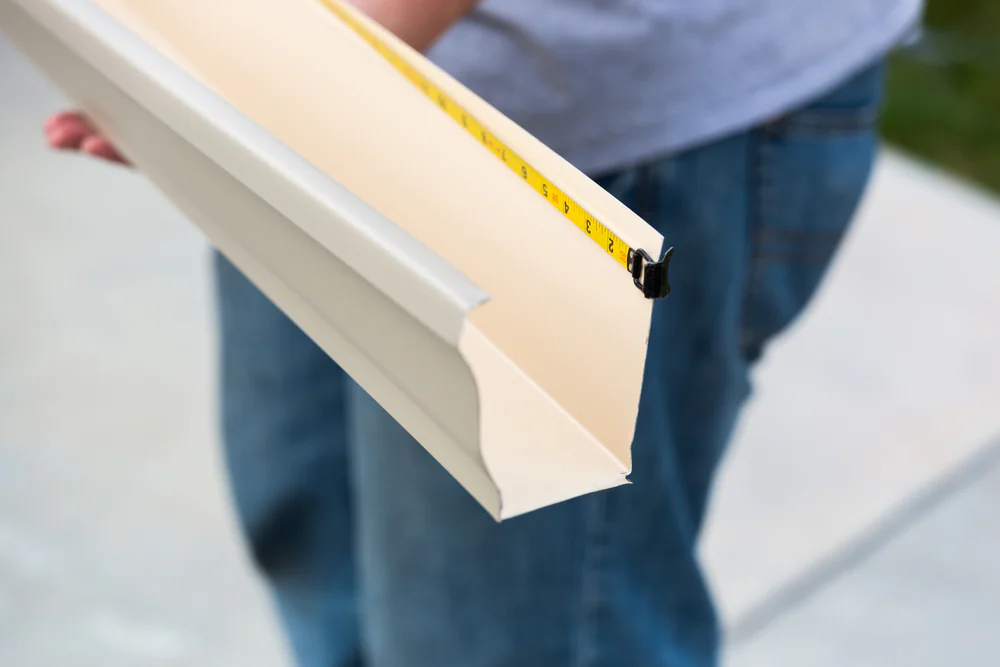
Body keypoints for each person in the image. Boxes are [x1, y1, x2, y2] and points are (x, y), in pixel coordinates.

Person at [45, 0, 924, 665]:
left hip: (595, 130)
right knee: (312, 531)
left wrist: (293, 74)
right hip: (311, 68)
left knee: (501, 638)